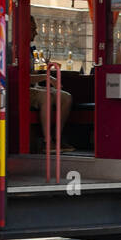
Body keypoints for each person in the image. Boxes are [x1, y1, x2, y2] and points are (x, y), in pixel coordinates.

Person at [28, 15, 73, 151]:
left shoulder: (32, 50)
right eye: (32, 29)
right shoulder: (14, 49)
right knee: (46, 96)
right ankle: (47, 142)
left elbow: (35, 72)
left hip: (35, 88)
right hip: (23, 90)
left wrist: (44, 67)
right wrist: (48, 78)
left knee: (66, 97)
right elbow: (23, 78)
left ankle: (57, 138)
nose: (36, 33)